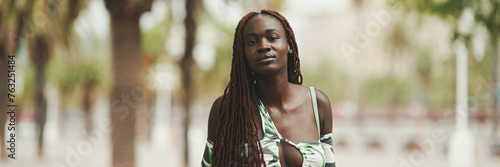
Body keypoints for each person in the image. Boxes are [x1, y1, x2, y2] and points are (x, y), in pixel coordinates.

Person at [201, 9, 336, 167]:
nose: (263, 46)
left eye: (272, 38)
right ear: (242, 54)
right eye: (252, 42)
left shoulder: (317, 103)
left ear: (289, 45)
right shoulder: (227, 109)